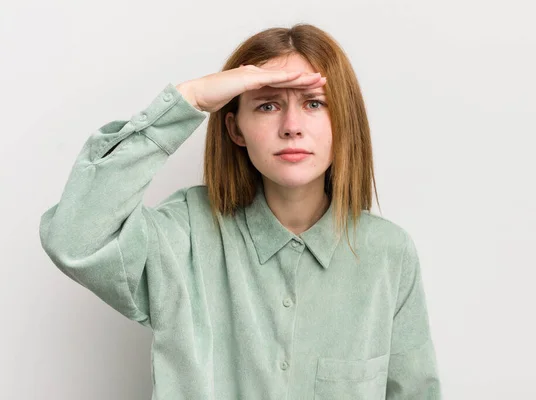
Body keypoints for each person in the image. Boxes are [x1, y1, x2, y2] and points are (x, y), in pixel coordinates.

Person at [39, 23, 441, 399]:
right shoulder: (186, 233)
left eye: (314, 103)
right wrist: (189, 100)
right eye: (267, 106)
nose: (291, 126)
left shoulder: (389, 254)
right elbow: (75, 238)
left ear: (343, 122)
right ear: (235, 129)